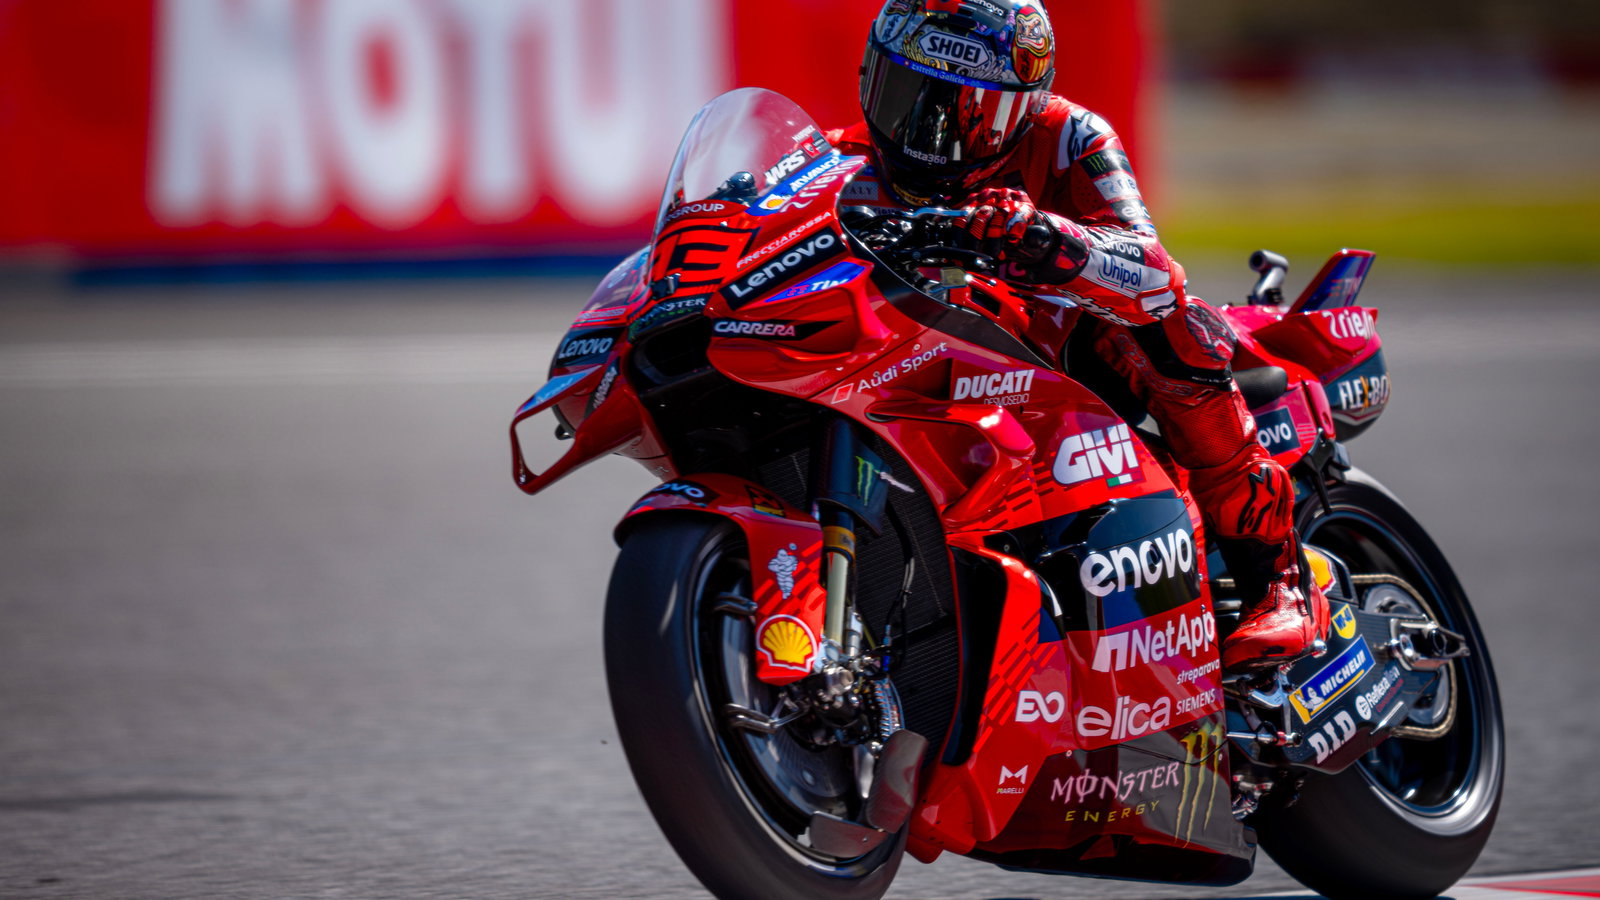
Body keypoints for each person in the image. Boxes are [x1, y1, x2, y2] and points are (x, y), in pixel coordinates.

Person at [828, 0, 1327, 670]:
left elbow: (1151, 270)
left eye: (965, 111)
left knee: (1175, 330)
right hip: (922, 371)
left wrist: (1044, 237)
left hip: (1065, 352)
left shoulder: (1070, 138)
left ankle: (1279, 585)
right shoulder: (839, 163)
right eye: (909, 96)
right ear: (869, 75)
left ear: (1023, 108)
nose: (928, 131)